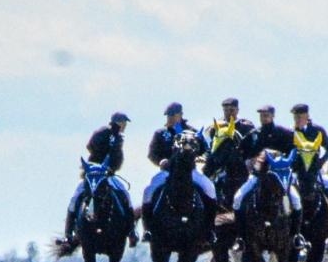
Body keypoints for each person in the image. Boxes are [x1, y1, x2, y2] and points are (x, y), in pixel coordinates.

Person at [142, 102, 218, 236]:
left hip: (190, 171)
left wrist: (200, 157)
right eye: (168, 115)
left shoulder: (193, 132)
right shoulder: (161, 133)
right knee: (148, 191)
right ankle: (148, 229)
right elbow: (152, 153)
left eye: (173, 115)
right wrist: (160, 161)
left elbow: (206, 149)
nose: (170, 118)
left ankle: (210, 229)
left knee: (210, 188)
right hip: (167, 172)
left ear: (181, 115)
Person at [66, 112, 136, 245]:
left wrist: (111, 168)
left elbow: (117, 158)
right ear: (118, 122)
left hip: (108, 175)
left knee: (125, 194)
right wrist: (98, 165)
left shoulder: (119, 138)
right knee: (76, 197)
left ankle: (131, 231)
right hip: (93, 173)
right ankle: (69, 234)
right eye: (124, 122)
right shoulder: (103, 132)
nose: (125, 125)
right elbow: (90, 146)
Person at [232, 105, 301, 215]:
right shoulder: (254, 134)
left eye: (266, 115)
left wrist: (280, 157)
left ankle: (296, 226)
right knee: (237, 198)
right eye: (261, 115)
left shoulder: (284, 132)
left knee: (295, 201)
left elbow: (294, 152)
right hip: (258, 174)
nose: (263, 118)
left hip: (282, 176)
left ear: (273, 116)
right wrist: (249, 161)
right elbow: (241, 151)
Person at [200, 98, 255, 202]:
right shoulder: (215, 127)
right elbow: (210, 147)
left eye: (231, 110)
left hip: (243, 164)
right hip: (218, 164)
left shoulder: (246, 126)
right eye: (226, 110)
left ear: (237, 110)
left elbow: (253, 147)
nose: (228, 113)